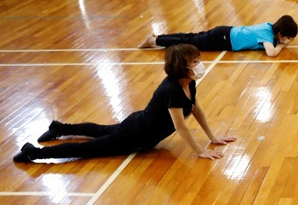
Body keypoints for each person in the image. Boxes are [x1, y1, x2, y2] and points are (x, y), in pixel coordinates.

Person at [12, 45, 236, 163]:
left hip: (138, 125)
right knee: (87, 150)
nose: (200, 64)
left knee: (100, 131)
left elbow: (196, 110)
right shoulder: (172, 90)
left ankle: (59, 128)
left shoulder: (189, 82)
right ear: (181, 67)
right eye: (195, 61)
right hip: (134, 135)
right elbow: (181, 126)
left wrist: (212, 138)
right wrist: (200, 151)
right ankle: (33, 154)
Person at [139, 16, 298, 58]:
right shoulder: (267, 35)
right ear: (280, 34)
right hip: (222, 38)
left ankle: (158, 38)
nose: (288, 42)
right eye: (288, 38)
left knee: (190, 38)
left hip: (225, 34)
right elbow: (271, 53)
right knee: (189, 41)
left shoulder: (270, 27)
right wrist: (281, 46)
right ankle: (154, 40)